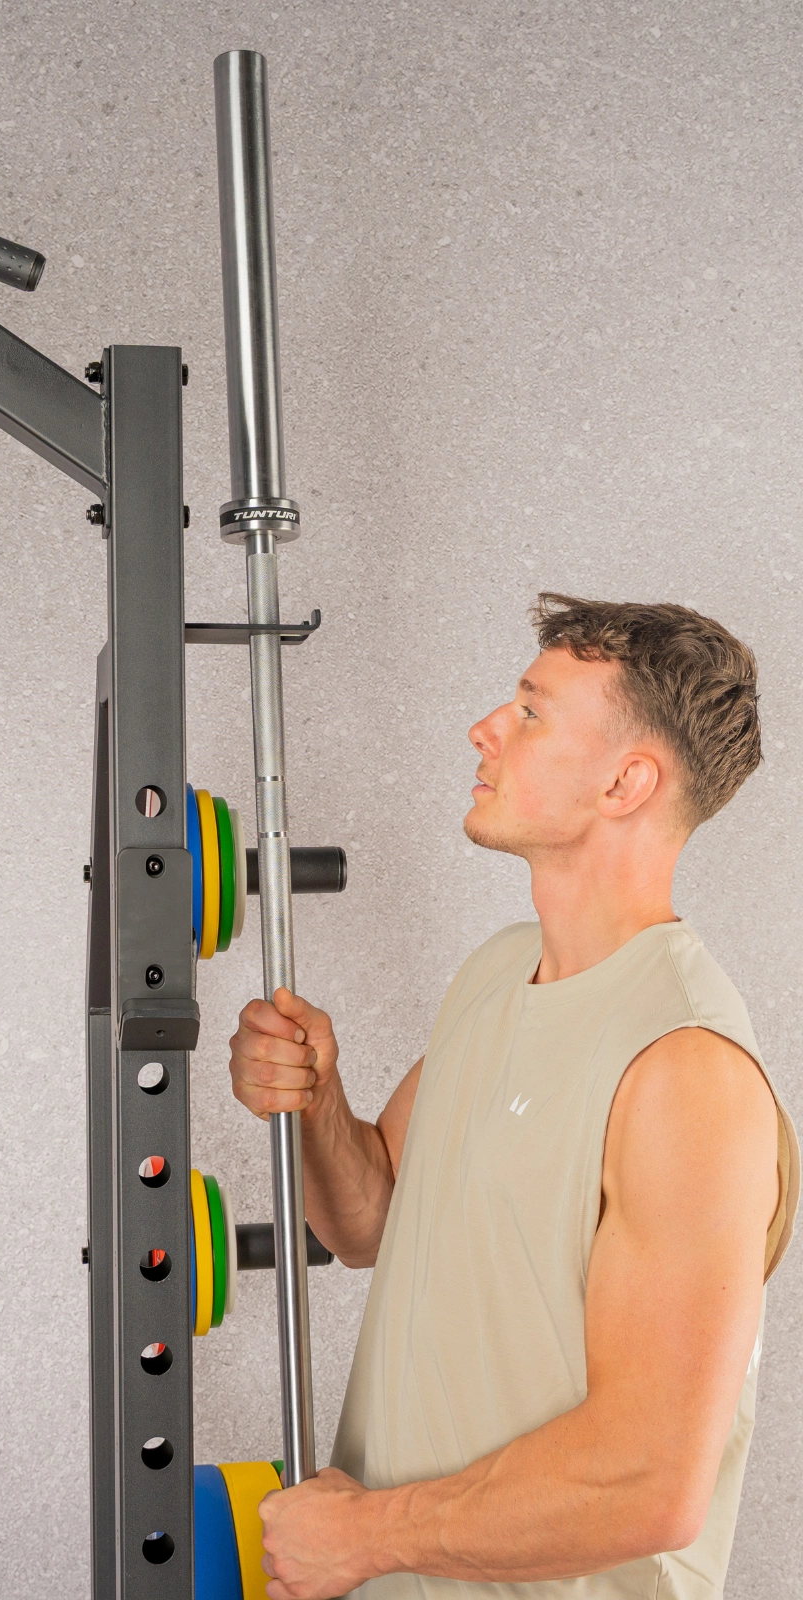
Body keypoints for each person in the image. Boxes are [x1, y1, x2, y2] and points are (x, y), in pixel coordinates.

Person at [227, 594, 797, 1600]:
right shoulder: (497, 972)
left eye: (532, 712)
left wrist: (365, 1534)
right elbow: (371, 1221)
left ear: (625, 782)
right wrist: (314, 1102)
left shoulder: (685, 1072)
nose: (484, 728)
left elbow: (649, 1480)